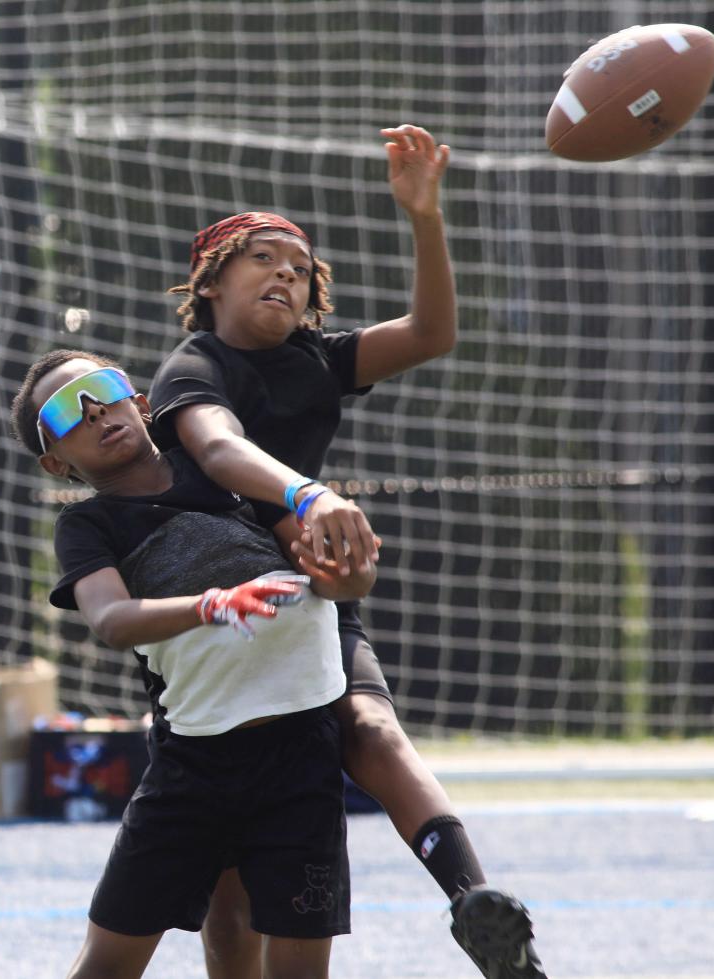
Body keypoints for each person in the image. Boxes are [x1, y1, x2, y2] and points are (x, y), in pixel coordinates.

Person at [148, 124, 547, 979]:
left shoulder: (317, 361)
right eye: (264, 257)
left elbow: (433, 332)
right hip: (209, 622)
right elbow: (218, 449)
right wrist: (308, 493)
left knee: (370, 725)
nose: (286, 272)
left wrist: (424, 217)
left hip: (306, 597)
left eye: (300, 267)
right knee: (227, 887)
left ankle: (472, 898)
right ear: (211, 280)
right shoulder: (196, 363)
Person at [10, 349, 377, 979]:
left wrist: (351, 576)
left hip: (301, 760)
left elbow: (330, 579)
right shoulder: (88, 524)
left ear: (142, 402)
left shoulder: (232, 475)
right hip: (192, 768)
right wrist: (211, 605)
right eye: (68, 412)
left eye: (103, 389)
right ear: (56, 462)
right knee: (106, 964)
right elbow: (111, 621)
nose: (96, 410)